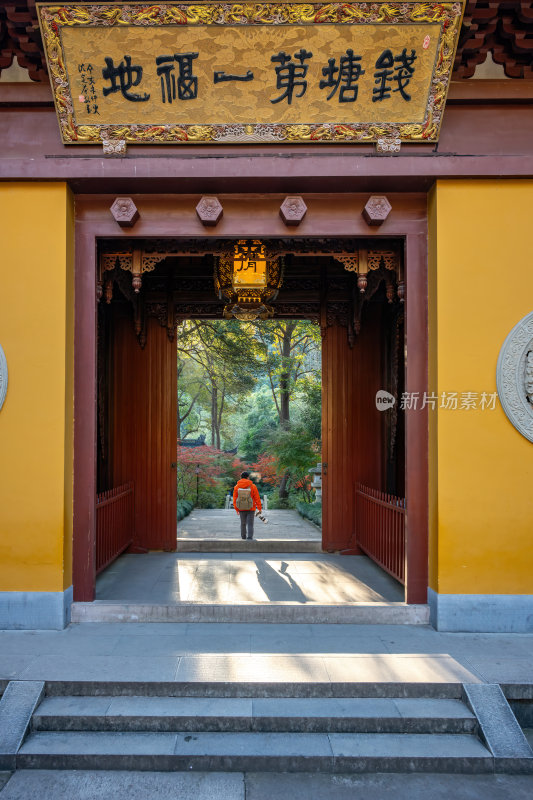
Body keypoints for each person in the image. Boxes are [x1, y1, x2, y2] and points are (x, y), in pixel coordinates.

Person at [233, 471, 262, 540]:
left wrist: (236, 509)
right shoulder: (253, 486)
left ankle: (243, 537)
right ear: (248, 477)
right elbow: (257, 498)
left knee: (243, 523)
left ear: (241, 477)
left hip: (241, 508)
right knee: (250, 524)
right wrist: (259, 508)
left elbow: (235, 499)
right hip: (251, 508)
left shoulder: (237, 487)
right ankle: (249, 538)